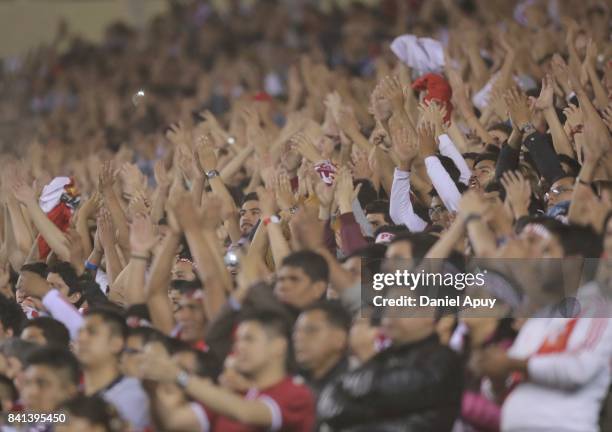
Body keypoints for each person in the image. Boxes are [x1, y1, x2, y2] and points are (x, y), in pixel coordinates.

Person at [141, 311, 316, 431]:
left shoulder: (295, 394)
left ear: (278, 346)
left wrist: (178, 375)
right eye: (237, 340)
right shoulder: (234, 395)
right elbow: (173, 421)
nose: (239, 347)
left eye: (249, 339)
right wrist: (154, 377)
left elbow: (246, 413)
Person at [317, 300, 463, 431]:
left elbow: (396, 390)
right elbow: (328, 404)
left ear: (428, 313)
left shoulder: (444, 361)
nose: (388, 315)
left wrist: (355, 395)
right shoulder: (383, 358)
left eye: (400, 306)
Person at [75, 308, 151, 430]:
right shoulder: (70, 393)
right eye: (79, 332)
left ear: (116, 344)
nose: (81, 339)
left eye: (92, 332)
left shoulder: (135, 395)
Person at [293, 300, 352, 396]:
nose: (298, 338)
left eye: (311, 330)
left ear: (340, 338)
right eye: (296, 331)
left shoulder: (353, 390)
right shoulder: (295, 383)